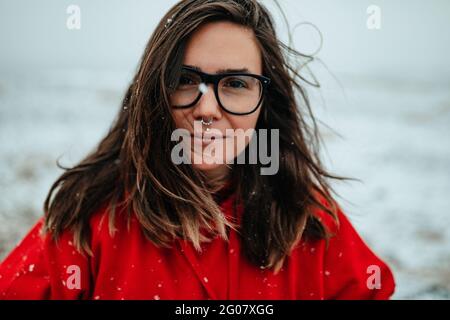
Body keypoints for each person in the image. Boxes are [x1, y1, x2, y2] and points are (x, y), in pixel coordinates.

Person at [0, 0, 395, 299]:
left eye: (236, 84)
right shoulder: (90, 218)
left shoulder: (309, 222)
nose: (207, 109)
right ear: (156, 93)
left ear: (265, 101)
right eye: (186, 80)